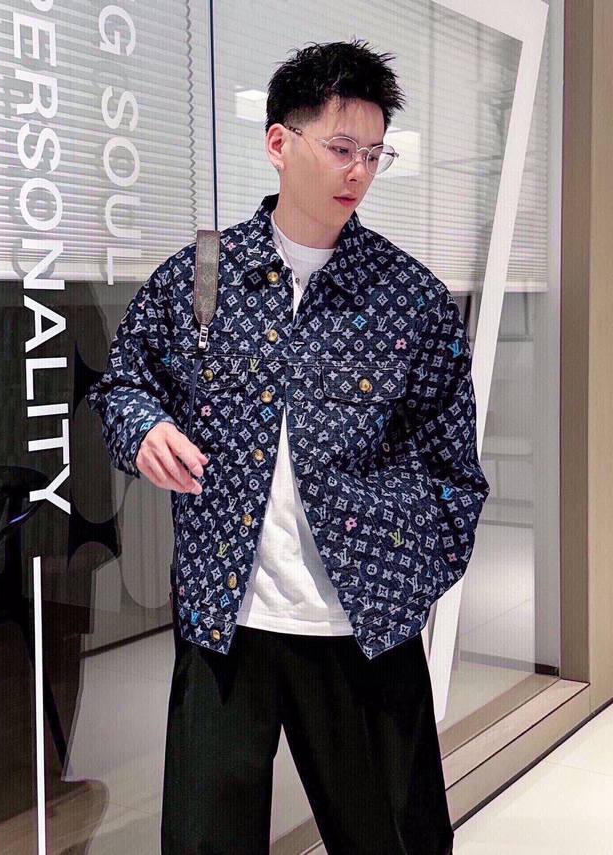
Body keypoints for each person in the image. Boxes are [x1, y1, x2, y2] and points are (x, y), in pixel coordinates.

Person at [87, 37, 490, 855]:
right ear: (280, 142)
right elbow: (124, 382)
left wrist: (400, 577)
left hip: (361, 627)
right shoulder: (202, 275)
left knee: (393, 839)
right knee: (205, 841)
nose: (359, 171)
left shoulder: (408, 298)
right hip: (224, 619)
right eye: (341, 148)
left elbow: (454, 473)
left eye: (374, 153)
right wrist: (146, 429)